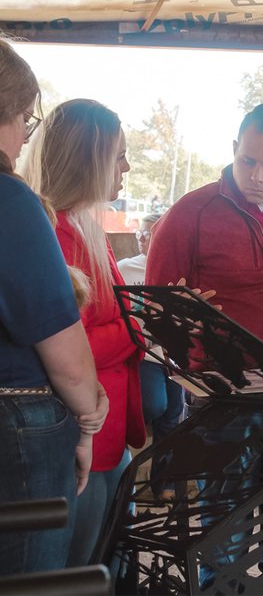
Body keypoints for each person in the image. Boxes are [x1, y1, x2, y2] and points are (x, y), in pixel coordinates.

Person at [23, 98, 146, 567]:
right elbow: (62, 345)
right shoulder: (52, 232)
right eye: (119, 155)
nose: (127, 167)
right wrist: (137, 328)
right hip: (79, 435)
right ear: (88, 160)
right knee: (79, 566)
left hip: (102, 431)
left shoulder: (81, 225)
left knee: (98, 556)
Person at [0, 39, 107, 576]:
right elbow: (62, 345)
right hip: (19, 420)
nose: (24, 136)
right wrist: (90, 421)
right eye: (23, 117)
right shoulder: (11, 201)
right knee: (32, 579)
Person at [146, 102, 263, 349]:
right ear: (234, 149)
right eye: (247, 161)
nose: (257, 176)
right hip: (217, 375)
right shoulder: (190, 212)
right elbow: (155, 304)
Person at [118, 213, 185, 498]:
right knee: (154, 405)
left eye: (149, 233)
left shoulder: (177, 268)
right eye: (140, 233)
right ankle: (126, 459)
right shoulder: (125, 268)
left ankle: (163, 484)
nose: (142, 238)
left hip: (173, 353)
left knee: (174, 414)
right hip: (143, 352)